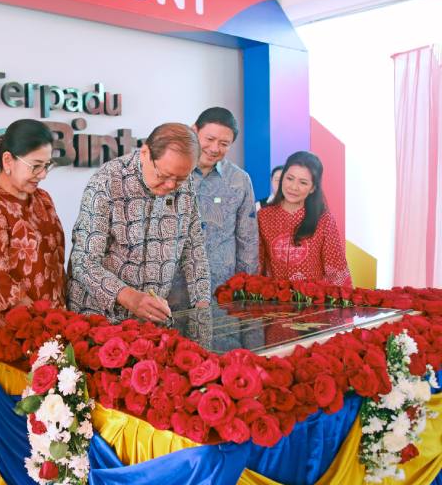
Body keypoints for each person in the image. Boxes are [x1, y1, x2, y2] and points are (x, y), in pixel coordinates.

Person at [0, 119, 66, 466]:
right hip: (5, 332)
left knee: (52, 416)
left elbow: (55, 263)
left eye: (46, 165)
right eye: (35, 166)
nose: (42, 175)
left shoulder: (44, 200)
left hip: (50, 325)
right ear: (8, 160)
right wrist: (40, 329)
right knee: (11, 417)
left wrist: (60, 323)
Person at [67, 123, 211, 324]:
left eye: (179, 179)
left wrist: (203, 308)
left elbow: (194, 249)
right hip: (101, 318)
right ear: (145, 153)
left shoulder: (184, 186)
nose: (171, 186)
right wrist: (130, 297)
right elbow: (83, 262)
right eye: (164, 175)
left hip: (152, 319)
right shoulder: (107, 181)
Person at [258, 151, 353, 287]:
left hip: (314, 302)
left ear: (313, 188)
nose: (293, 187)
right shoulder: (263, 216)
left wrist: (345, 302)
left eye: (303, 182)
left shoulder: (324, 220)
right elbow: (257, 264)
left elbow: (336, 269)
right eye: (289, 178)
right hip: (274, 301)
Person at [190, 107, 258, 293]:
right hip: (171, 291)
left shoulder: (239, 180)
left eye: (224, 143)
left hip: (220, 289)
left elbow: (248, 239)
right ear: (194, 130)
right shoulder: (170, 172)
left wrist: (247, 288)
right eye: (209, 139)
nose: (214, 149)